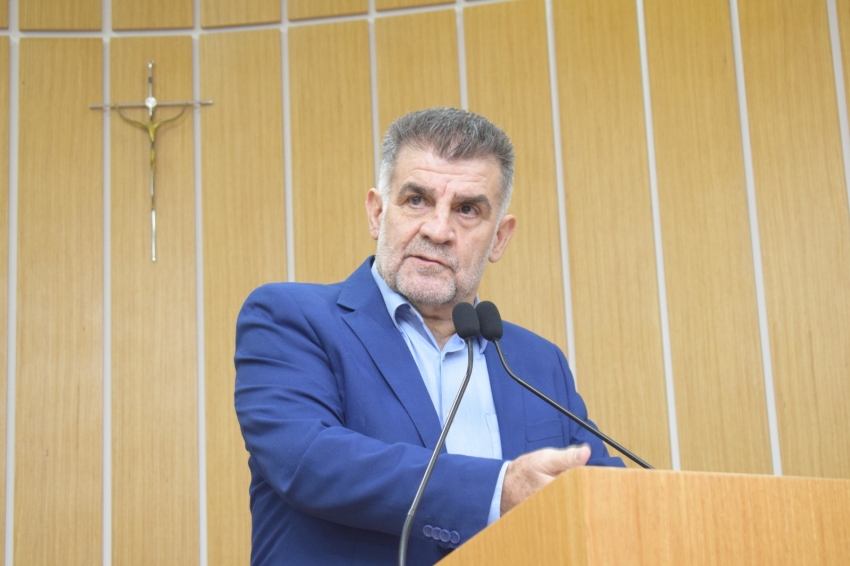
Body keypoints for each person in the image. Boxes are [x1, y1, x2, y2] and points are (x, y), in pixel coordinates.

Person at [234, 108, 624, 566]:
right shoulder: (290, 318)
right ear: (378, 212)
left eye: (467, 210)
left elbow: (601, 496)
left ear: (500, 238)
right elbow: (309, 461)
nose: (438, 230)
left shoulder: (537, 363)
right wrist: (497, 490)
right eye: (417, 200)